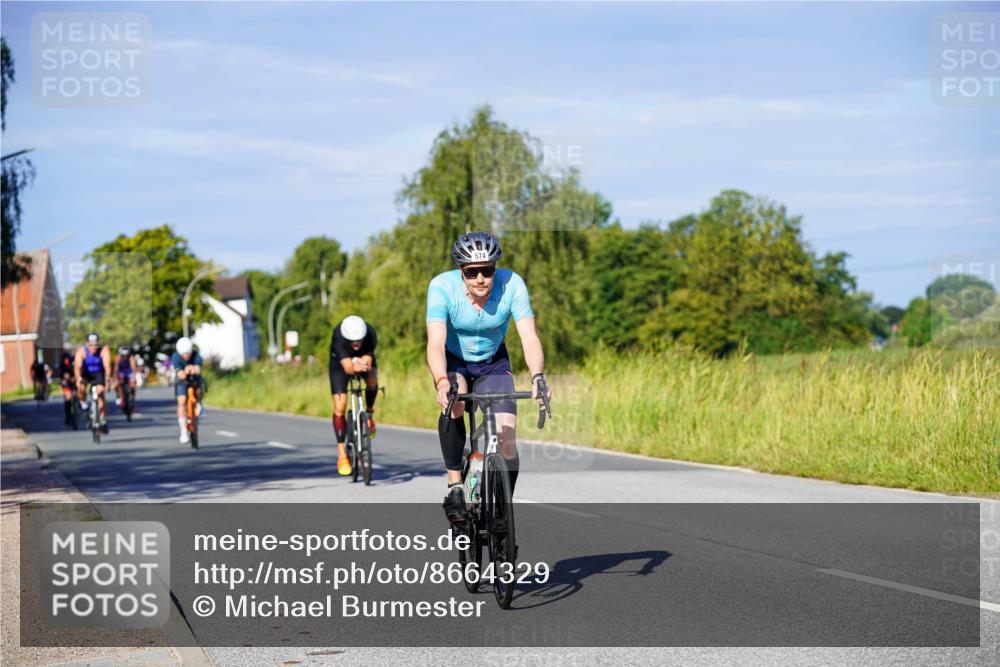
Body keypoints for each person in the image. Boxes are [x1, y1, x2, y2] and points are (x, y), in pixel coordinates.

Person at [426, 231, 550, 523]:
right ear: (461, 272)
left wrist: (537, 377)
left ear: (495, 268)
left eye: (487, 270)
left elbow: (529, 337)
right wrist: (442, 381)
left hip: (493, 362)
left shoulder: (512, 284)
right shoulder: (442, 287)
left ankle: (502, 509)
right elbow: (434, 343)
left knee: (507, 438)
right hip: (454, 361)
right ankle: (455, 485)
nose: (480, 278)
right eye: (472, 272)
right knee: (454, 405)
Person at [328, 315, 379, 476]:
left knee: (372, 378)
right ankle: (342, 454)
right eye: (353, 340)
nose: (356, 344)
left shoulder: (370, 333)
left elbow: (368, 360)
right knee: (340, 405)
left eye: (359, 340)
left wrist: (364, 364)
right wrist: (354, 365)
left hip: (362, 360)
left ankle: (369, 413)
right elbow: (348, 368)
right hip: (340, 363)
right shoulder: (338, 335)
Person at [74, 333, 112, 433]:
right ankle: (84, 405)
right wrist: (78, 378)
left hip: (98, 373)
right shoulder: (82, 351)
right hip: (86, 373)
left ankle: (103, 419)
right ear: (87, 344)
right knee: (80, 388)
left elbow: (107, 365)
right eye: (91, 345)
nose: (94, 347)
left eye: (96, 345)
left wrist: (108, 377)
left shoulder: (103, 350)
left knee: (100, 392)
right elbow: (77, 366)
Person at [172, 337, 202, 444]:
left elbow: (198, 369)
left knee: (199, 389)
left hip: (194, 378)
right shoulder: (175, 357)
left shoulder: (196, 355)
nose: (186, 356)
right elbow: (180, 375)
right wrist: (185, 371)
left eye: (187, 353)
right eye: (183, 354)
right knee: (182, 401)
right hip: (182, 380)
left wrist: (194, 369)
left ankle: (198, 403)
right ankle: (183, 430)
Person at [58, 348, 76, 424]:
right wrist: (65, 378)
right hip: (66, 380)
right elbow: (62, 370)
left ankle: (77, 406)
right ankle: (68, 415)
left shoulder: (76, 358)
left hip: (74, 378)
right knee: (68, 397)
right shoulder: (64, 358)